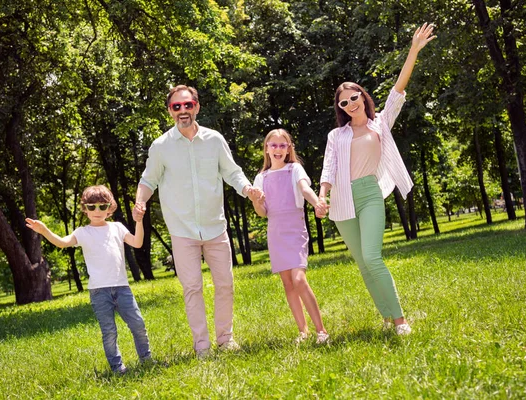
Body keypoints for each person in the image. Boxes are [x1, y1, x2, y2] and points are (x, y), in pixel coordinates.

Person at [318, 23, 436, 335]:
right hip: (342, 200)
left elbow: (398, 90)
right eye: (343, 102)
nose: (349, 104)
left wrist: (413, 49)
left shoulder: (380, 124)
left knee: (372, 256)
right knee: (362, 263)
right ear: (341, 109)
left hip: (369, 194)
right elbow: (329, 167)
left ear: (361, 96)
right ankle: (385, 317)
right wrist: (322, 195)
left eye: (353, 97)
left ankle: (400, 320)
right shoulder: (336, 135)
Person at [134, 85, 260, 358]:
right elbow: (148, 180)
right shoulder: (161, 146)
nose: (183, 110)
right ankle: (202, 346)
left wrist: (247, 189)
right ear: (169, 111)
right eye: (176, 106)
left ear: (197, 107)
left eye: (187, 105)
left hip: (215, 226)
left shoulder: (214, 140)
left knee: (225, 283)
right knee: (193, 288)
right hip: (182, 231)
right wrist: (140, 201)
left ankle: (225, 339)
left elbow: (232, 171)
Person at [25, 185, 151, 373]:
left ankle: (147, 360)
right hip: (99, 292)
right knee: (109, 332)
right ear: (85, 209)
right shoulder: (82, 232)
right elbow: (61, 242)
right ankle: (117, 368)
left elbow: (137, 242)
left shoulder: (117, 227)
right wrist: (44, 231)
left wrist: (139, 221)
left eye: (102, 206)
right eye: (92, 207)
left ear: (110, 208)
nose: (97, 211)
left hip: (122, 288)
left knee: (138, 325)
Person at [249, 128, 330, 344]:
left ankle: (321, 331)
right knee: (287, 283)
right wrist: (257, 200)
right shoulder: (260, 177)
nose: (277, 149)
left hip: (295, 230)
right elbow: (262, 212)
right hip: (276, 233)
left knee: (299, 279)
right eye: (273, 145)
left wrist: (317, 203)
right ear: (266, 149)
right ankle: (303, 332)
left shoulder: (294, 169)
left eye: (282, 145)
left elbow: (304, 189)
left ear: (288, 148)